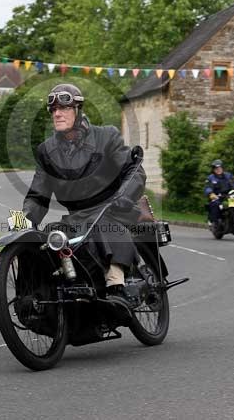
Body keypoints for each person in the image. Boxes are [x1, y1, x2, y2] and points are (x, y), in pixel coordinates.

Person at [22, 83, 145, 301]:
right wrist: (24, 221)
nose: (57, 113)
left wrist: (124, 197)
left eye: (64, 108)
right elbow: (38, 195)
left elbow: (133, 170)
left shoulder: (106, 136)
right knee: (48, 237)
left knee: (101, 223)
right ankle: (40, 298)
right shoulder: (46, 151)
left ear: (78, 110)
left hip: (113, 207)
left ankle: (116, 284)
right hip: (76, 217)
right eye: (54, 109)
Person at [203, 159, 234, 225]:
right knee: (215, 205)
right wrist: (211, 193)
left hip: (229, 195)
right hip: (217, 197)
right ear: (213, 169)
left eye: (220, 168)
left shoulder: (228, 175)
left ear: (222, 168)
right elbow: (208, 187)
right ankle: (214, 221)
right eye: (216, 168)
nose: (218, 169)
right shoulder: (210, 178)